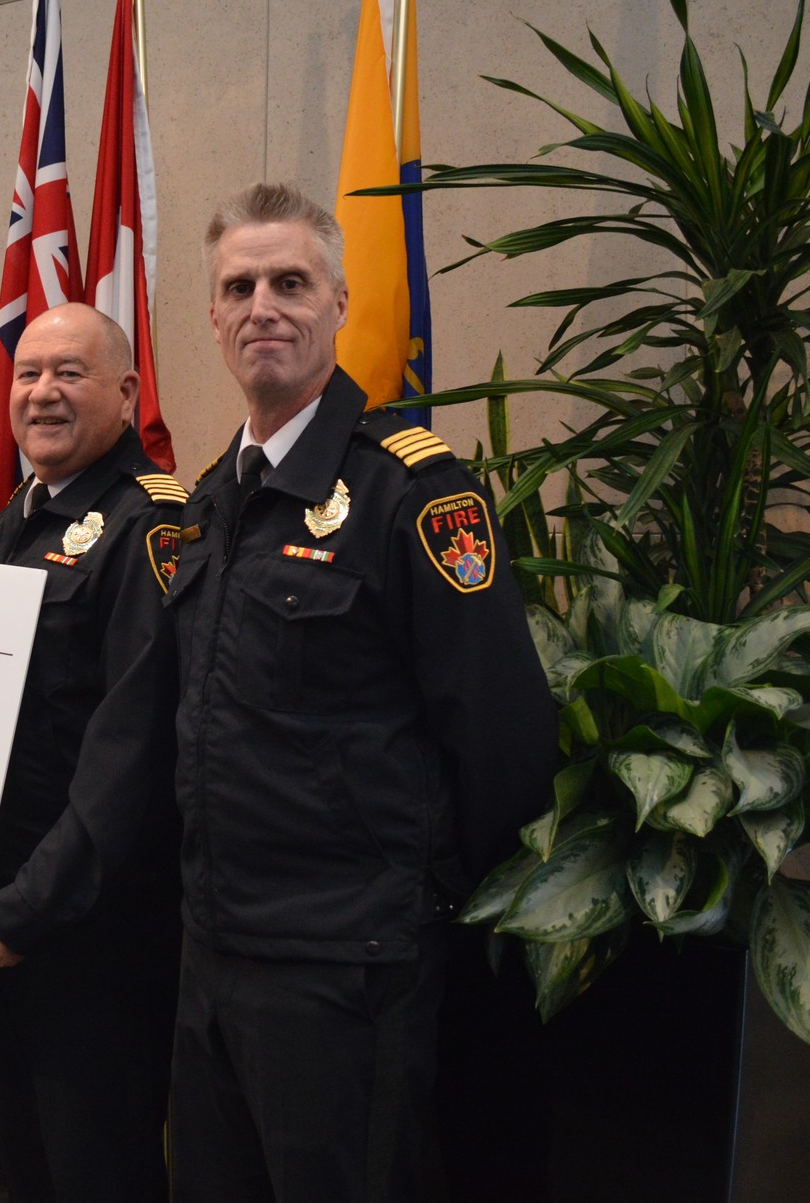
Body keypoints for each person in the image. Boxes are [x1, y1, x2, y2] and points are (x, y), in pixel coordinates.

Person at [164, 183, 558, 1203]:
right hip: (213, 951)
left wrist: (415, 904)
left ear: (338, 302)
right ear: (211, 315)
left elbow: (503, 738)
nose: (262, 307)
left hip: (345, 970)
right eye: (238, 287)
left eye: (289, 282)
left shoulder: (411, 492)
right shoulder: (211, 502)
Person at [0, 303, 185, 1203]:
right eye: (29, 373)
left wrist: (28, 909)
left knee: (98, 1168)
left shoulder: (149, 526)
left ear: (127, 394)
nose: (43, 392)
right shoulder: (20, 516)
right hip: (18, 916)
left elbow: (131, 761)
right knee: (32, 1163)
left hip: (95, 938)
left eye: (70, 373)